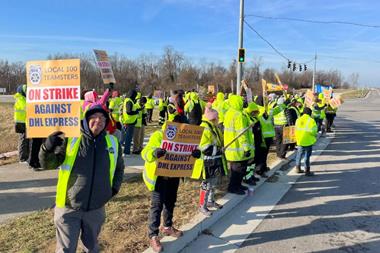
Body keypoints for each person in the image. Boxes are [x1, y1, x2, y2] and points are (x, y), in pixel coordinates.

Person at [38, 104, 124, 253]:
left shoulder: (112, 142)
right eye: (94, 117)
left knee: (91, 248)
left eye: (103, 118)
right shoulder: (71, 139)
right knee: (66, 250)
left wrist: (113, 189)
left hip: (96, 209)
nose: (99, 121)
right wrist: (47, 148)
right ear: (85, 119)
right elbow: (49, 164)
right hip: (68, 207)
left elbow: (119, 168)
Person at [141, 115, 200, 253]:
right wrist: (155, 152)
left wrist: (196, 155)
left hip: (174, 175)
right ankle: (153, 235)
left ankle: (167, 227)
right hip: (158, 177)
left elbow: (187, 157)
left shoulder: (186, 139)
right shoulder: (158, 135)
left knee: (170, 201)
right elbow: (145, 153)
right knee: (157, 205)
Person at [191, 105, 227, 216]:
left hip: (215, 159)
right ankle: (202, 205)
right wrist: (219, 150)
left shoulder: (213, 127)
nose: (219, 119)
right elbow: (205, 148)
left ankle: (210, 201)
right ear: (213, 118)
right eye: (217, 117)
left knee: (213, 182)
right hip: (207, 161)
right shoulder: (205, 128)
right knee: (206, 184)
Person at [223, 95, 254, 195]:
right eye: (242, 100)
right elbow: (242, 133)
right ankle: (233, 187)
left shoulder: (229, 113)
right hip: (238, 148)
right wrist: (246, 148)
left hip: (231, 147)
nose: (243, 101)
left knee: (235, 169)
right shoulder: (238, 115)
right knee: (239, 169)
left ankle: (237, 185)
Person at [295, 107, 317, 176]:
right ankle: (307, 170)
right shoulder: (311, 120)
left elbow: (295, 129)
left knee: (299, 155)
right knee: (307, 156)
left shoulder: (298, 120)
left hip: (300, 141)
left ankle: (297, 168)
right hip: (308, 141)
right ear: (310, 113)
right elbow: (314, 131)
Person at [14, 84, 29, 163]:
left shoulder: (20, 98)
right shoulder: (21, 99)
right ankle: (22, 158)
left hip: (22, 121)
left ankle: (25, 157)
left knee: (25, 140)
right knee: (23, 140)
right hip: (22, 122)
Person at [122, 89, 140, 156]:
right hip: (129, 122)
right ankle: (126, 152)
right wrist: (136, 112)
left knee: (127, 138)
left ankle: (125, 151)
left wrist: (137, 110)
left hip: (129, 121)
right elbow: (129, 111)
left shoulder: (128, 100)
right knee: (128, 138)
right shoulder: (129, 101)